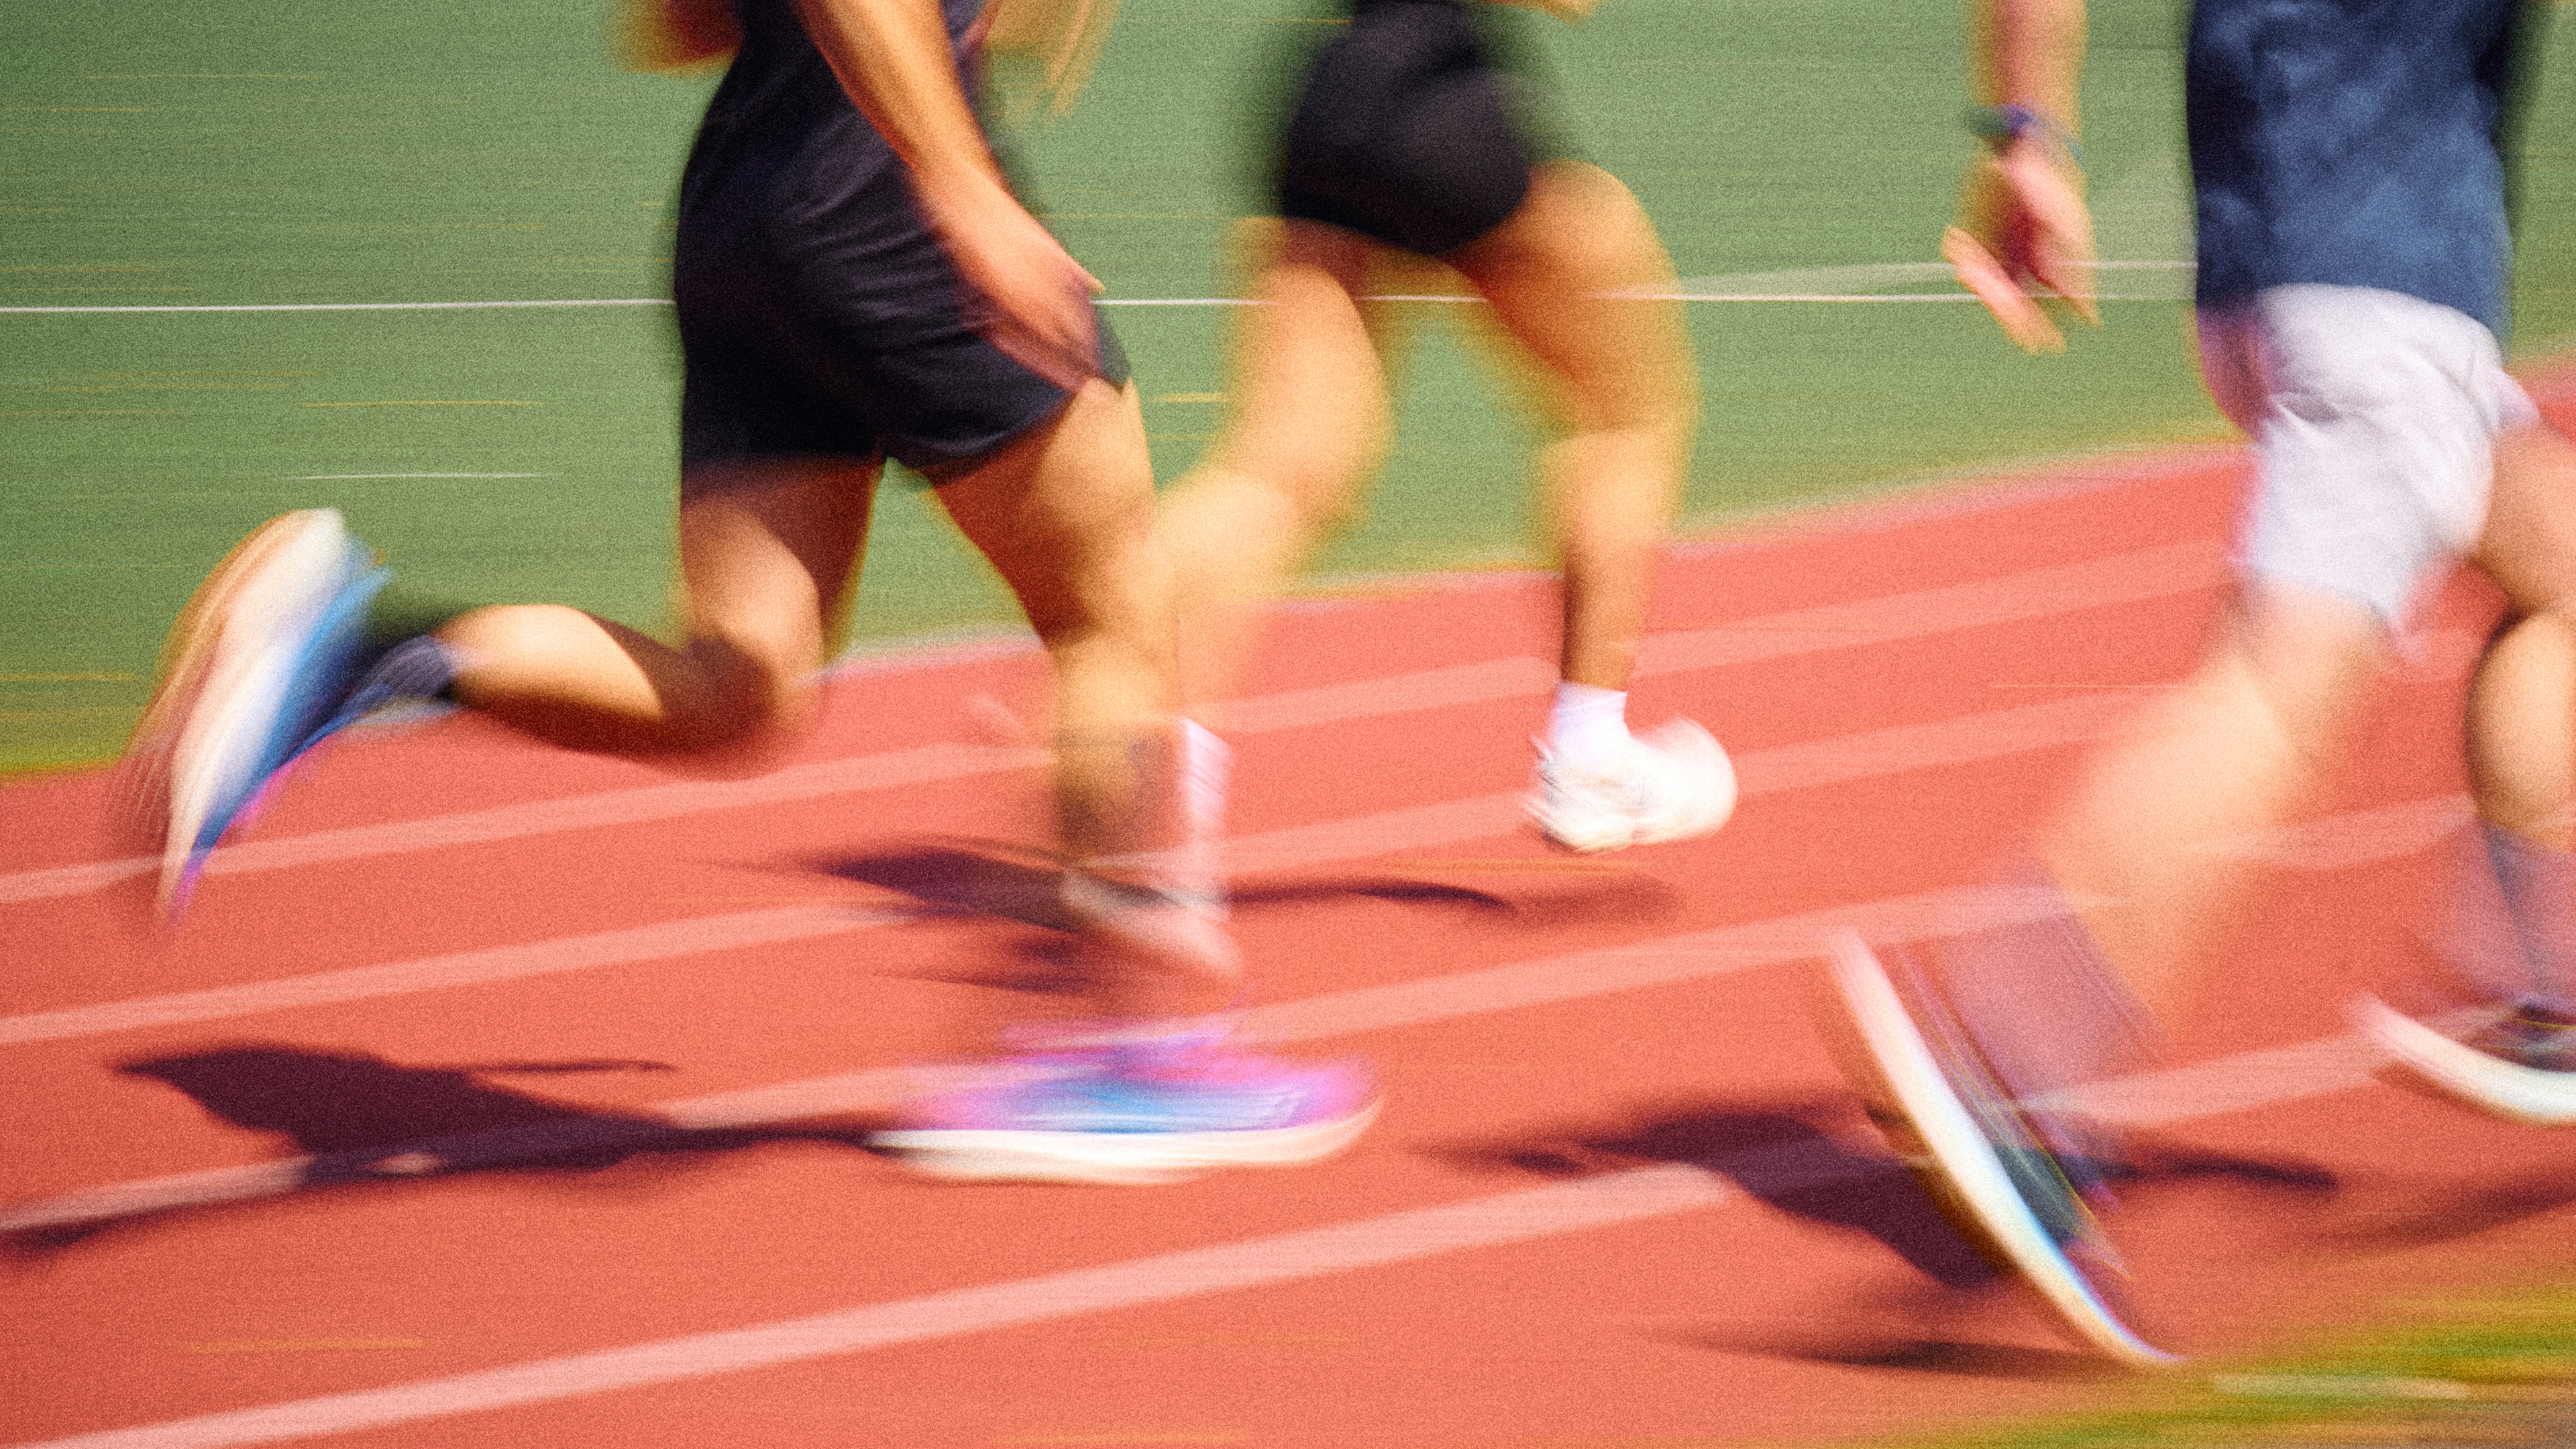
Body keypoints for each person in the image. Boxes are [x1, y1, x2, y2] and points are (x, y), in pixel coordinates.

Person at [123, 0, 1375, 1187]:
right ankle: (1123, 1057)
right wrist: (956, 180)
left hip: (751, 220)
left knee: (740, 683)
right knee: (1111, 615)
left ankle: (358, 648)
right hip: (894, 211)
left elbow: (684, 22)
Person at [1833, 0, 2576, 1364]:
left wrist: (2025, 138)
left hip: (2265, 281)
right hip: (2385, 291)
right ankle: (2010, 1063)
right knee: (2278, 696)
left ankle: (2544, 996)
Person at [1153, 0, 1736, 858]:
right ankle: (1591, 756)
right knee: (1627, 415)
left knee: (1278, 472)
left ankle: (1134, 757)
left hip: (1323, 100)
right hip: (1441, 102)